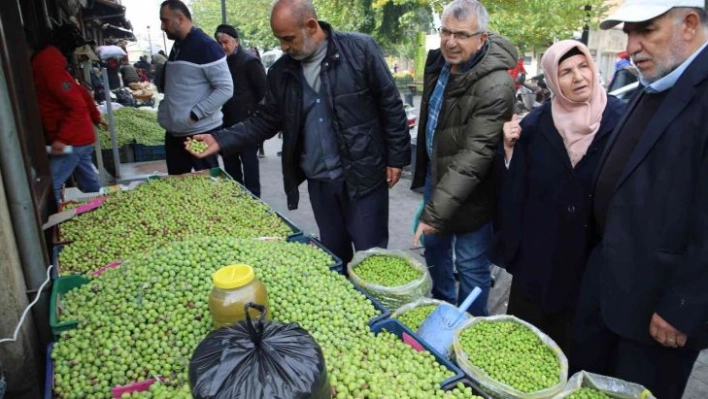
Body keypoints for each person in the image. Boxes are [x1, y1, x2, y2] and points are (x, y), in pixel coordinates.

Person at [185, 0, 410, 266]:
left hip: (363, 177)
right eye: (279, 39)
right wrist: (220, 139)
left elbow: (390, 104)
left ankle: (378, 304)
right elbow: (264, 120)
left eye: (288, 38)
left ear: (311, 26)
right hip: (320, 183)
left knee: (372, 259)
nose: (283, 46)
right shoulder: (282, 72)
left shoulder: (359, 50)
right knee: (335, 257)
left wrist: (396, 158)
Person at [572, 1, 708, 397]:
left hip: (659, 314)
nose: (632, 45)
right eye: (628, 33)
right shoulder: (655, 84)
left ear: (689, 24)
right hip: (609, 290)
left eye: (646, 30)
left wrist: (681, 306)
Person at [492, 40, 626, 355]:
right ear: (552, 80)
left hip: (592, 263)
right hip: (540, 261)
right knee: (527, 349)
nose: (578, 77)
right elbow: (514, 192)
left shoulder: (621, 121)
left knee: (579, 349)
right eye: (565, 71)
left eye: (583, 67)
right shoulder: (535, 126)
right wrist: (509, 152)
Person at [410, 0, 516, 315]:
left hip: (475, 192)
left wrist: (432, 214)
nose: (451, 42)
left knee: (471, 265)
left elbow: (474, 156)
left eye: (462, 35)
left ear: (482, 39)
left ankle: (470, 327)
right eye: (445, 32)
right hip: (438, 177)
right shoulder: (438, 63)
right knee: (435, 250)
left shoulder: (497, 85)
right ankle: (444, 307)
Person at [30, 24, 107, 204]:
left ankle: (59, 224)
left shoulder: (47, 66)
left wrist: (62, 139)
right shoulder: (51, 64)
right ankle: (106, 207)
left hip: (73, 140)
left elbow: (77, 104)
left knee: (53, 184)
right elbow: (81, 93)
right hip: (79, 136)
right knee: (90, 181)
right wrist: (96, 117)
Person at [157, 0, 233, 175]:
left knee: (208, 187)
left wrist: (195, 114)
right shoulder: (178, 45)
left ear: (180, 18)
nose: (162, 26)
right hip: (175, 133)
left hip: (199, 133)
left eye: (165, 20)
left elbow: (226, 89)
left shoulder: (206, 46)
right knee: (176, 186)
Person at [214, 24, 267, 197]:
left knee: (250, 166)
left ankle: (255, 202)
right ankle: (237, 201)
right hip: (225, 125)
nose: (223, 47)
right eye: (219, 43)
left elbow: (264, 93)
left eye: (226, 42)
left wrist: (259, 121)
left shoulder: (249, 61)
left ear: (235, 41)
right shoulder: (219, 63)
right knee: (231, 167)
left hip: (247, 126)